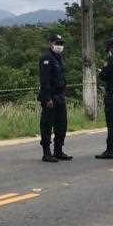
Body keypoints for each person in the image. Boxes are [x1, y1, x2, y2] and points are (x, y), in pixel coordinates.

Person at [38, 33, 71, 162]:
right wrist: (47, 99)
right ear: (50, 44)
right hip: (50, 96)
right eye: (57, 43)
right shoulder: (46, 58)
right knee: (47, 125)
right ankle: (46, 153)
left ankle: (58, 151)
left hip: (59, 96)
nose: (59, 46)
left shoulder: (59, 58)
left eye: (61, 44)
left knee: (61, 124)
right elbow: (44, 81)